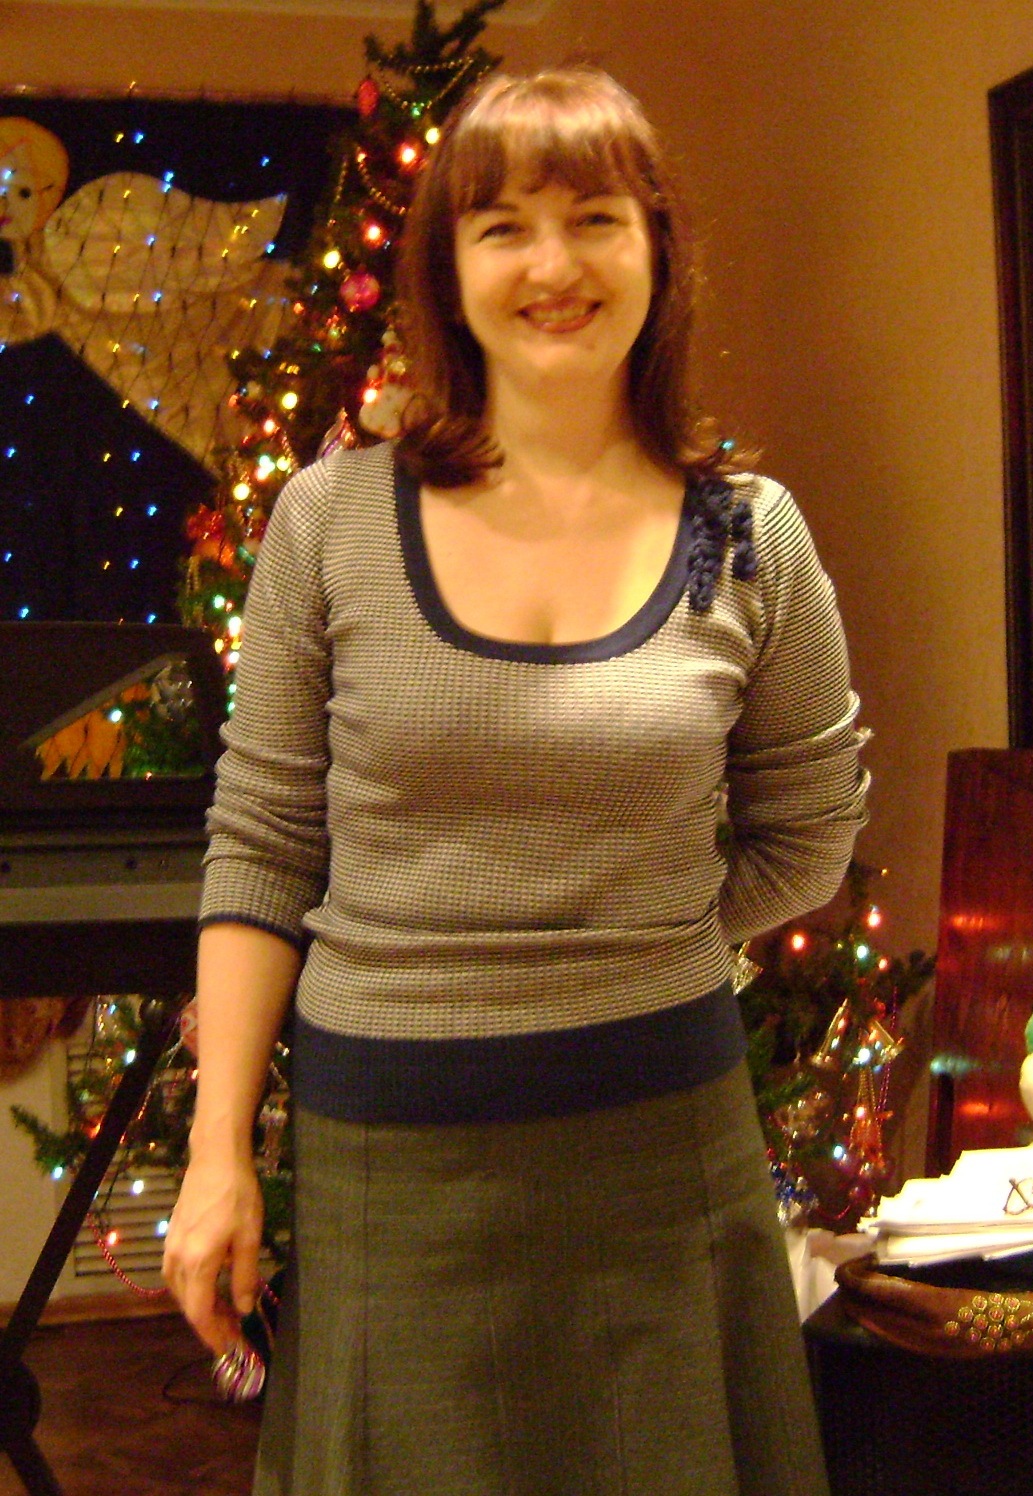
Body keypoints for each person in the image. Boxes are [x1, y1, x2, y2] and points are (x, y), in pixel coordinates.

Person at [162, 64, 868, 1496]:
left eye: (595, 218)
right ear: (447, 269)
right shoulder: (329, 521)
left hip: (668, 1161)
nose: (555, 267)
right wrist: (215, 1150)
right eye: (504, 228)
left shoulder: (749, 536)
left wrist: (636, 931)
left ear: (655, 246)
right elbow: (262, 847)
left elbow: (809, 834)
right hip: (393, 1167)